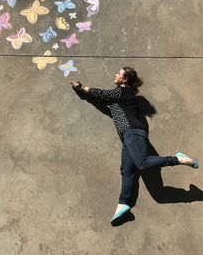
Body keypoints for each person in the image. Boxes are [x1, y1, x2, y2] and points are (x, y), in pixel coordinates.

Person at [70, 67, 199, 225]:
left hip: (133, 132)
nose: (115, 74)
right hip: (128, 135)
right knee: (127, 170)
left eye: (119, 73)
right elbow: (107, 105)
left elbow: (103, 95)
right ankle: (124, 203)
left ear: (125, 80)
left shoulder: (122, 92)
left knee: (142, 163)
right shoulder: (122, 97)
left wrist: (81, 88)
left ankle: (177, 159)